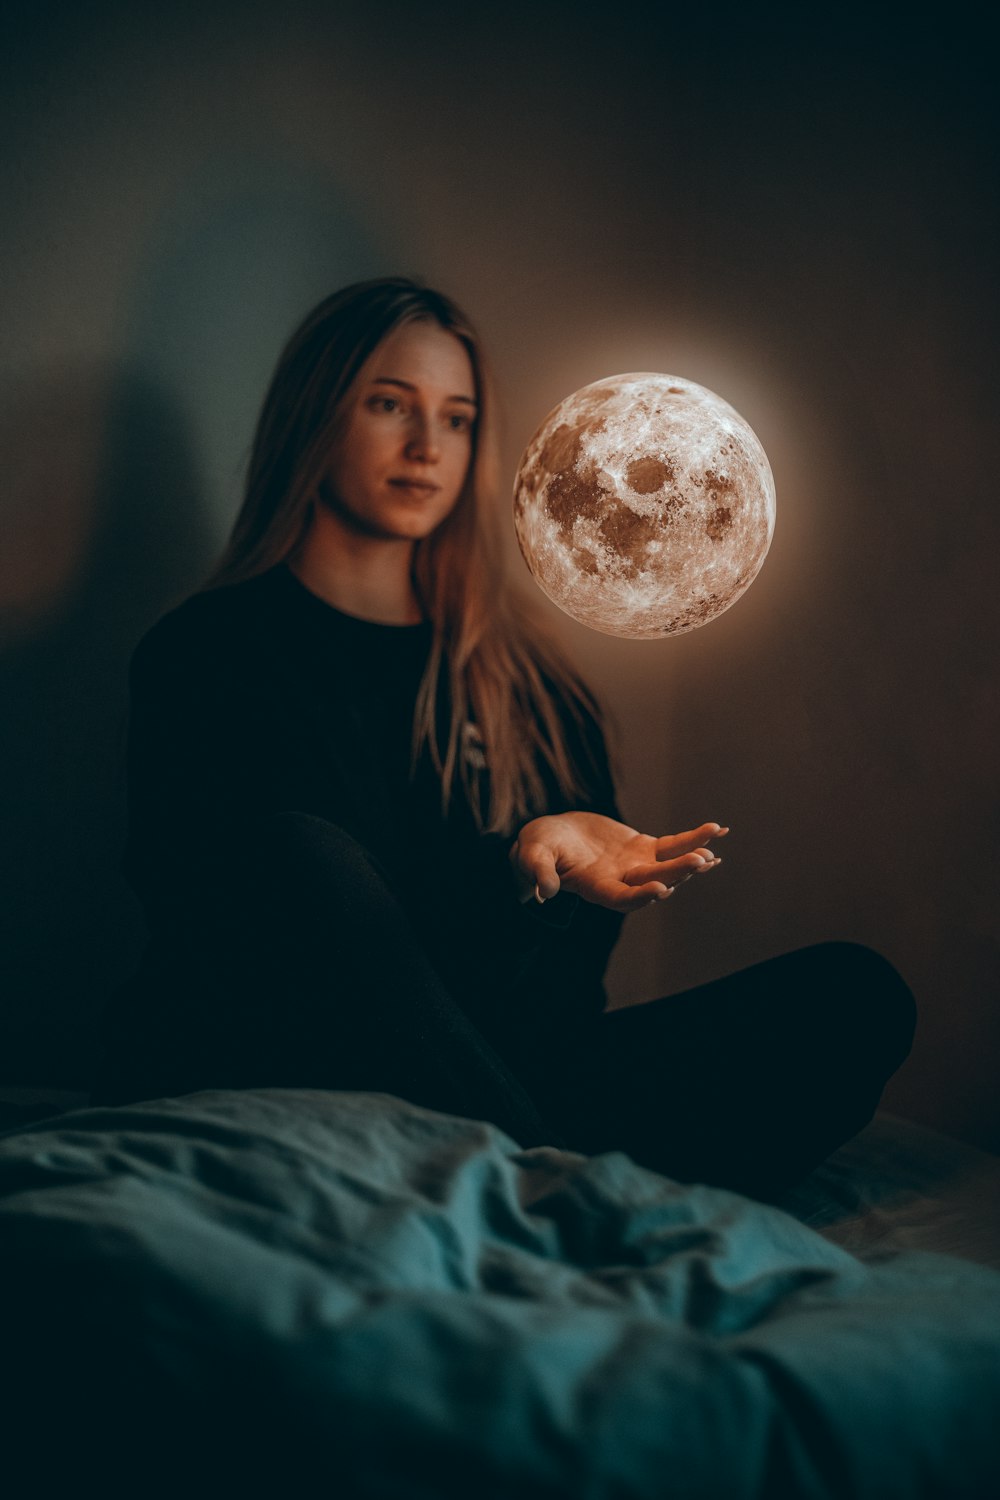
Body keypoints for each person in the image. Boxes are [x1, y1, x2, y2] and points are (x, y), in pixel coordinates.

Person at [93, 277, 916, 1200]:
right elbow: (244, 928)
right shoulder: (208, 653)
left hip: (508, 1075)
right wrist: (501, 874)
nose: (424, 448)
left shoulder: (530, 683)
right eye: (388, 404)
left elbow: (563, 998)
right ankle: (545, 1189)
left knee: (853, 997)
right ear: (315, 416)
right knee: (299, 854)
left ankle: (519, 1166)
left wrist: (547, 877)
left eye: (457, 417)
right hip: (287, 1062)